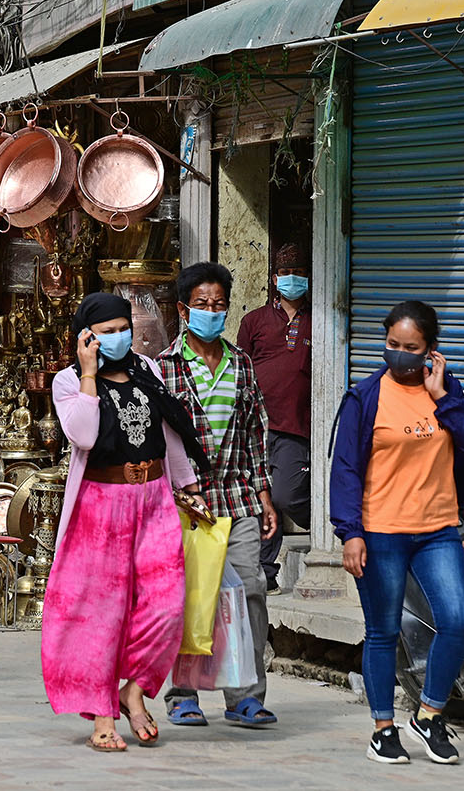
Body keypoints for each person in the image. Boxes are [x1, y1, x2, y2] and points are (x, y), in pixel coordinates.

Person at [45, 294, 211, 752]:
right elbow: (83, 434)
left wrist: (188, 486)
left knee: (166, 604)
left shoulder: (148, 370)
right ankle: (103, 713)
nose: (119, 336)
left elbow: (168, 435)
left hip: (154, 498)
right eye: (107, 330)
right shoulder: (69, 381)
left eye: (124, 327)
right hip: (101, 506)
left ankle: (133, 691)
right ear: (86, 336)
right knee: (102, 613)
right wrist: (89, 374)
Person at [330, 300, 464, 766]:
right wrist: (350, 533)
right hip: (381, 533)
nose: (399, 354)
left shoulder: (445, 389)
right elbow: (346, 469)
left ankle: (429, 714)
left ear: (431, 351)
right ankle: (383, 728)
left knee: (458, 620)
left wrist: (444, 397)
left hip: (437, 529)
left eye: (411, 347)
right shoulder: (365, 397)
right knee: (383, 631)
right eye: (392, 345)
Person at [157, 262, 279, 728]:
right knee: (191, 596)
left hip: (237, 496)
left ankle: (245, 695)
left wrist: (263, 491)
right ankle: (183, 694)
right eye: (202, 304)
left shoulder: (241, 364)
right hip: (185, 501)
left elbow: (254, 432)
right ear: (183, 309)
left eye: (219, 304)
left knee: (250, 591)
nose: (211, 312)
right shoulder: (164, 368)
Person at [237, 243, 312, 594]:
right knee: (258, 500)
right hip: (256, 425)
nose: (292, 278)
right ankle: (265, 572)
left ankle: (331, 521)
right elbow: (242, 371)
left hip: (297, 426)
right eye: (285, 273)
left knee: (284, 496)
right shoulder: (254, 321)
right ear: (274, 278)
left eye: (298, 271)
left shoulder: (319, 318)